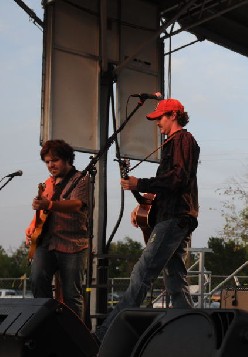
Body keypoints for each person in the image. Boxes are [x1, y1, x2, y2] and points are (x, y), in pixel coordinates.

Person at [94, 98, 200, 342]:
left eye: (160, 118)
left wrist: (139, 183)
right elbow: (170, 184)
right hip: (174, 216)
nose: (157, 124)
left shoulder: (183, 139)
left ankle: (103, 337)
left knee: (142, 275)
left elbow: (178, 179)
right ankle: (194, 335)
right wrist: (144, 202)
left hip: (175, 218)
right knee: (175, 281)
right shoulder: (172, 143)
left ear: (173, 115)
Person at [26, 139, 89, 320]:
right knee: (38, 281)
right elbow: (42, 213)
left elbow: (77, 204)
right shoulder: (47, 183)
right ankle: (47, 326)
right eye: (47, 162)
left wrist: (50, 203)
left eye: (55, 160)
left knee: (71, 295)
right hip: (46, 242)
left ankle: (77, 338)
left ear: (67, 159)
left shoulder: (81, 179)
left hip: (72, 244)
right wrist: (32, 229)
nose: (50, 165)